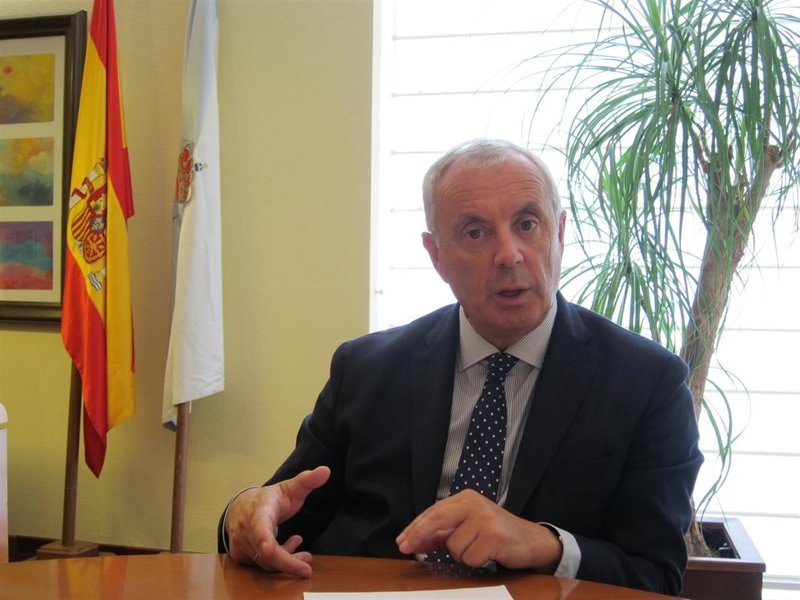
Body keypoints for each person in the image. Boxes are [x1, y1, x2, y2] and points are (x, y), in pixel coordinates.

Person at [218, 139, 703, 595]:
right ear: (436, 256)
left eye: (527, 224)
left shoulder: (647, 384)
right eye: (475, 232)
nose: (509, 254)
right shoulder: (365, 370)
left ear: (559, 233)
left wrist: (545, 544)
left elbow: (655, 574)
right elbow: (284, 513)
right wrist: (243, 514)